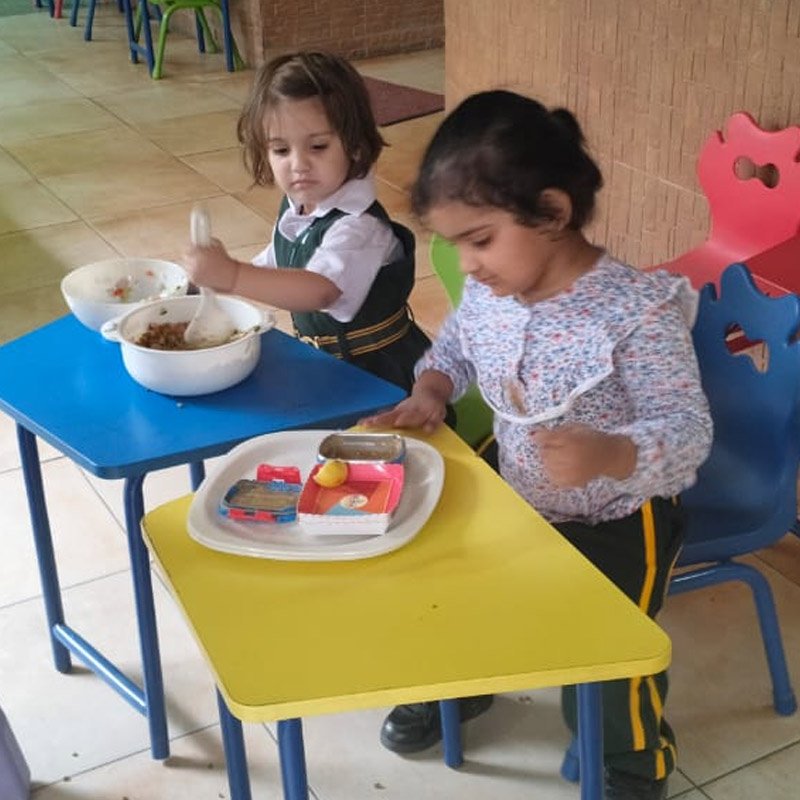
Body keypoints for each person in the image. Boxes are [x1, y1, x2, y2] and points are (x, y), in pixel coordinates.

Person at [361, 89, 713, 800]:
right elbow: (457, 347)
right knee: (453, 586)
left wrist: (613, 455)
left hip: (619, 517)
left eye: (479, 240)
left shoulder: (636, 312)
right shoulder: (492, 291)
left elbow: (689, 430)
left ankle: (633, 759)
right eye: (456, 244)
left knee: (610, 652)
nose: (467, 264)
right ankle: (462, 688)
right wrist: (432, 388)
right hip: (514, 486)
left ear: (552, 213)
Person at [182, 51, 431, 392]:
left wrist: (233, 275)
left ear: (356, 146)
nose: (298, 164)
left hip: (379, 381)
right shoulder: (298, 208)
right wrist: (215, 281)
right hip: (327, 368)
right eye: (281, 150)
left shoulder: (360, 227)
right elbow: (278, 260)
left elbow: (319, 290)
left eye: (318, 146)